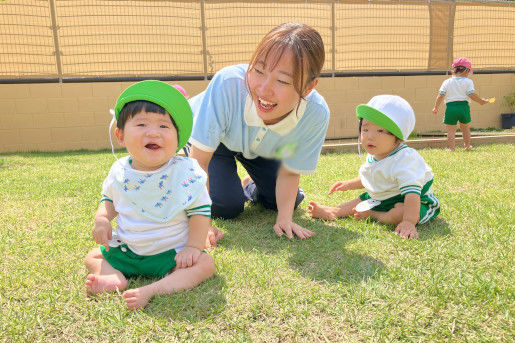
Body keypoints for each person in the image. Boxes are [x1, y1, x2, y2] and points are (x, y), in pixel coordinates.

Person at [188, 23, 329, 244]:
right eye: (258, 70)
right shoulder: (228, 84)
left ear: (308, 88)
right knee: (226, 206)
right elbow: (199, 161)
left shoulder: (316, 114)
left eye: (282, 80)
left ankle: (248, 184)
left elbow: (290, 171)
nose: (263, 89)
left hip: (263, 147)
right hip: (217, 142)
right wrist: (202, 225)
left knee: (287, 201)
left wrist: (284, 218)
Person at [85, 80, 215, 310]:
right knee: (93, 256)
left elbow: (200, 212)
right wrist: (102, 219)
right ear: (121, 135)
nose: (153, 132)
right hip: (127, 251)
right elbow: (109, 200)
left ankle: (153, 289)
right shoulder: (120, 171)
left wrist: (193, 247)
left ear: (178, 138)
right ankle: (112, 276)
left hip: (171, 255)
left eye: (164, 127)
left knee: (204, 264)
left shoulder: (184, 173)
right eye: (142, 124)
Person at [308, 95, 440, 239]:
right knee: (361, 200)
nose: (370, 136)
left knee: (399, 213)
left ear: (398, 137)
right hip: (384, 197)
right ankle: (335, 211)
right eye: (365, 129)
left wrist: (408, 222)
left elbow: (412, 194)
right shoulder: (376, 155)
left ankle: (375, 215)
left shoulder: (405, 159)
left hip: (413, 202)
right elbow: (372, 178)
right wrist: (348, 184)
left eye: (380, 131)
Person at [432, 57, 490, 151]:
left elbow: (440, 95)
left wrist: (435, 107)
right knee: (465, 128)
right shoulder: (468, 81)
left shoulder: (447, 82)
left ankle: (452, 149)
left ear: (454, 70)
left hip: (450, 108)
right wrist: (481, 101)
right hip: (463, 107)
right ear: (467, 70)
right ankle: (467, 146)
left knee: (451, 130)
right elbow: (471, 94)